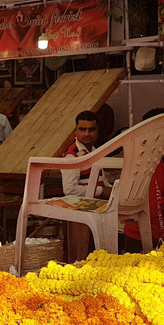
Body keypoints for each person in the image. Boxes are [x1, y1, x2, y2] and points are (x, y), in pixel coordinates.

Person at [61, 111, 111, 263]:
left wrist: (113, 189)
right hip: (79, 214)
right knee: (81, 258)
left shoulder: (96, 152)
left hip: (97, 212)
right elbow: (69, 189)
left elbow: (101, 180)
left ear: (97, 131)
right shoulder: (72, 155)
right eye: (82, 129)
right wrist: (102, 191)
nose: (87, 133)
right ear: (75, 131)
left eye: (91, 129)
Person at [122, 108, 164, 253]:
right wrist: (161, 233)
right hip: (146, 234)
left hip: (138, 230)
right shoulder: (152, 161)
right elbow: (154, 203)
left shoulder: (146, 154)